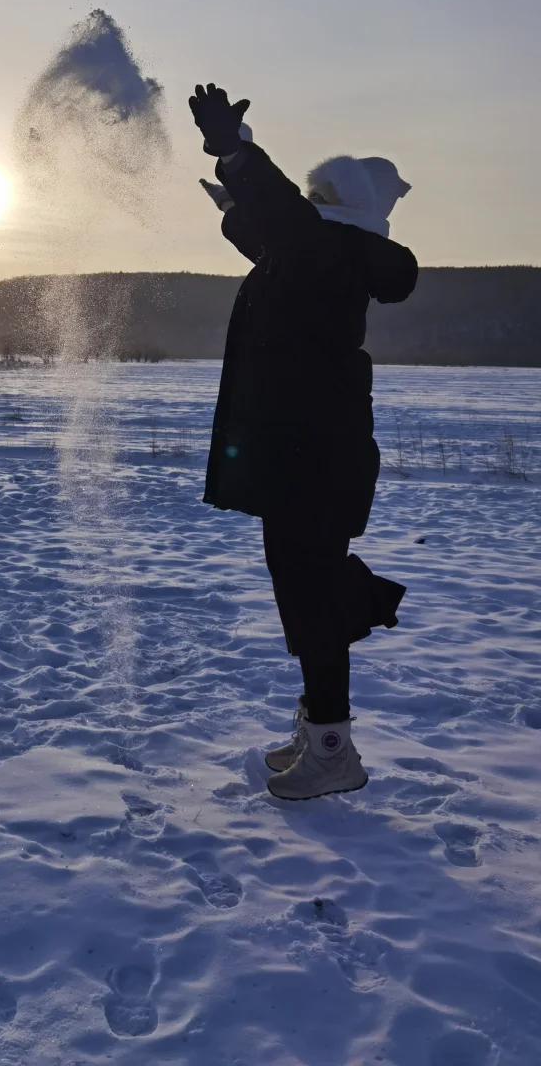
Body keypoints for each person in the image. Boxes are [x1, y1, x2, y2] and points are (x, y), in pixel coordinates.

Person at [190, 83, 418, 801]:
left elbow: (285, 222)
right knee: (304, 593)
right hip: (307, 460)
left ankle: (332, 752)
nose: (309, 197)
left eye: (321, 190)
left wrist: (236, 152)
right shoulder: (322, 254)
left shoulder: (327, 250)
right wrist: (236, 196)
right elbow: (267, 233)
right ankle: (322, 731)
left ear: (340, 205)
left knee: (313, 598)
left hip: (317, 462)